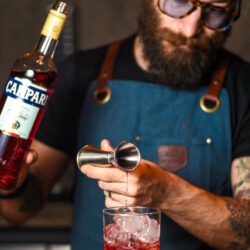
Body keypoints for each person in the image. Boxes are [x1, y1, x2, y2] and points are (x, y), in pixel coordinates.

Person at [0, 0, 250, 249]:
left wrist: (166, 192)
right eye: (178, 4)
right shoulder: (79, 74)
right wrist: (13, 182)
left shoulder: (243, 87)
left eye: (216, 12)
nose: (189, 29)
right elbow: (18, 212)